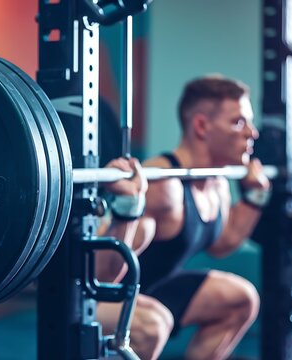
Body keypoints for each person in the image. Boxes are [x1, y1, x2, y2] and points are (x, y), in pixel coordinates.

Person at [98, 75, 272, 360]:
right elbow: (101, 274)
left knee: (241, 299)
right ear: (202, 126)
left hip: (153, 288)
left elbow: (222, 243)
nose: (252, 133)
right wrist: (129, 205)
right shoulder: (163, 187)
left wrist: (254, 199)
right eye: (238, 122)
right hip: (98, 296)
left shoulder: (216, 183)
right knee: (152, 325)